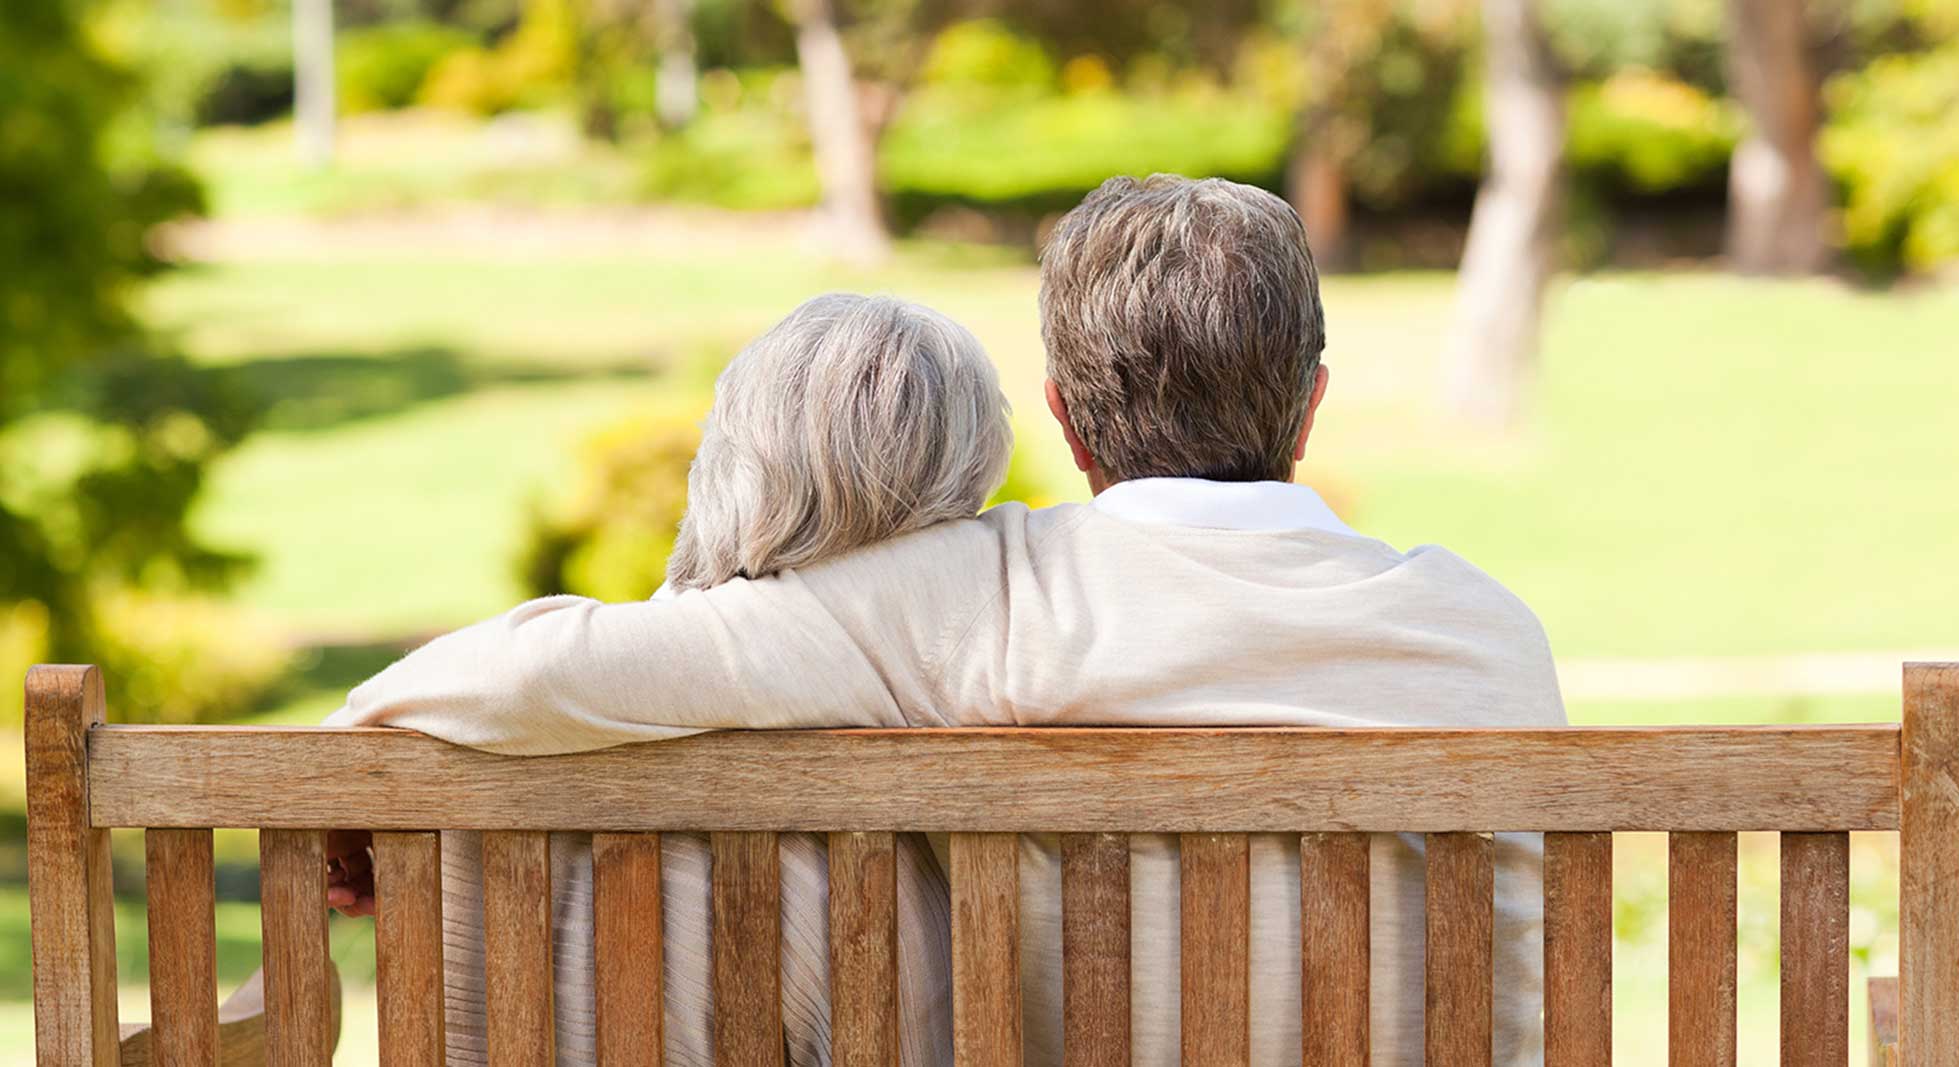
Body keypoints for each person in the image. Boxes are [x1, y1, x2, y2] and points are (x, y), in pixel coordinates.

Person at [329, 174, 1565, 1065]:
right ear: (1310, 407)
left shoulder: (987, 593)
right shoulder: (1482, 632)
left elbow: (552, 671)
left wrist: (351, 751)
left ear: (1066, 424)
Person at [329, 292, 1010, 1064]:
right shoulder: (972, 680)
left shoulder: (496, 726)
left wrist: (342, 765)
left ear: (734, 452)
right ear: (959, 485)